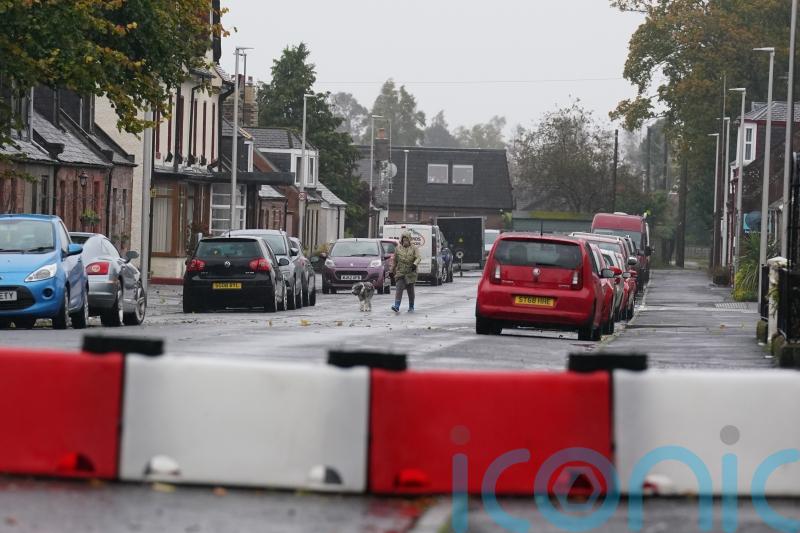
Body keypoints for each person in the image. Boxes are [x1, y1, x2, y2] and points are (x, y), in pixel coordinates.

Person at [390, 231, 421, 313]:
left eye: (407, 240)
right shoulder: (398, 249)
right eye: (404, 240)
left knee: (410, 291)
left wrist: (414, 264)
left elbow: (418, 257)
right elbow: (394, 261)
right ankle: (397, 306)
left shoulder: (414, 248)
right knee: (399, 289)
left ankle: (411, 306)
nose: (405, 242)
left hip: (410, 273)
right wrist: (391, 270)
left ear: (409, 240)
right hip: (400, 272)